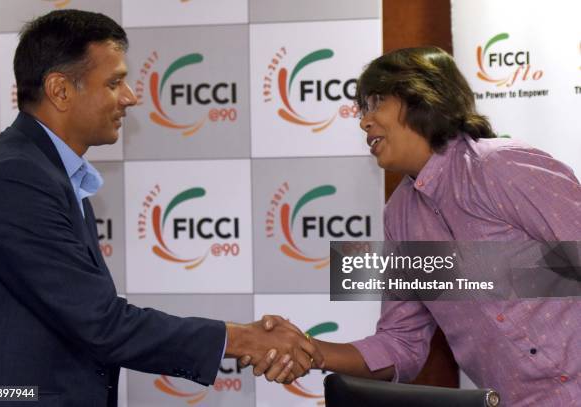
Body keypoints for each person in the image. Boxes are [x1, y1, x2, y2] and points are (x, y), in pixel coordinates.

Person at [0, 10, 320, 407]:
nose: (131, 96)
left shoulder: (44, 171)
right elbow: (99, 322)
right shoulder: (15, 177)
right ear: (60, 90)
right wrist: (240, 339)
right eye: (115, 82)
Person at [248, 47, 581, 405]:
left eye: (376, 102)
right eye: (363, 108)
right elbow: (400, 344)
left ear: (423, 96)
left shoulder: (500, 165)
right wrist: (310, 349)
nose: (363, 121)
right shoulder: (399, 217)